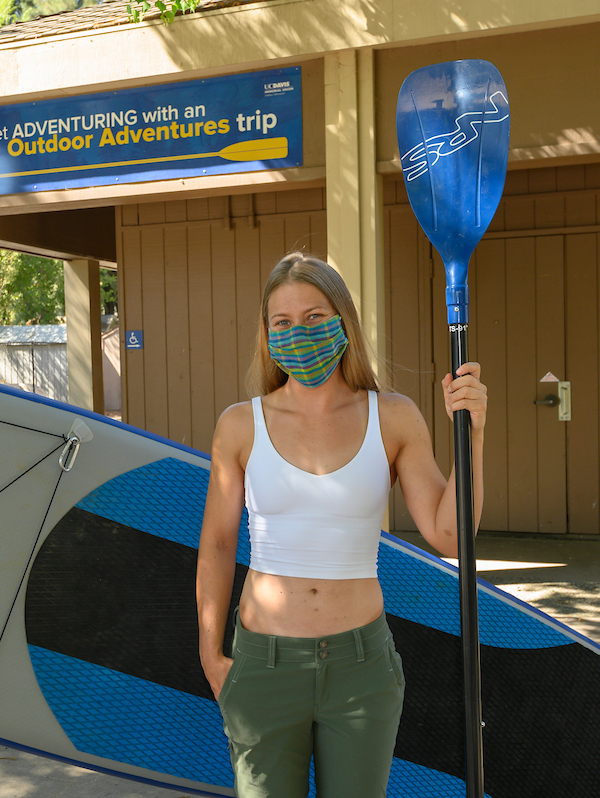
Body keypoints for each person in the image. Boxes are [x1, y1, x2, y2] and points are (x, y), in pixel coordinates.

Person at [196, 252, 488, 797]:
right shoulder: (239, 425)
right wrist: (212, 658)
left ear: (343, 323)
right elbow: (215, 543)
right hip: (263, 664)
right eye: (281, 322)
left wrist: (470, 433)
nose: (298, 333)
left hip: (361, 669)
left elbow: (450, 536)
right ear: (266, 334)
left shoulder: (393, 415)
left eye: (314, 317)